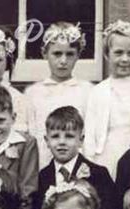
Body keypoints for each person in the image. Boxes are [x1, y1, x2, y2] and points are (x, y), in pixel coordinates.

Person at [31, 106, 116, 209]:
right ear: (46, 141)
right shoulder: (41, 177)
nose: (62, 142)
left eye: (69, 136)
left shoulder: (99, 174)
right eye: (55, 136)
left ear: (81, 140)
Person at [82, 20, 130, 180]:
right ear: (107, 54)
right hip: (109, 152)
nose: (125, 59)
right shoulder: (98, 91)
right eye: (118, 53)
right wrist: (90, 160)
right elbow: (91, 131)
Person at [24, 23, 94, 169]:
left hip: (78, 167)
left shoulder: (88, 91)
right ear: (45, 54)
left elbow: (90, 135)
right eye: (57, 54)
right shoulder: (33, 93)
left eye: (69, 54)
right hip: (42, 166)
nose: (63, 61)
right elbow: (30, 135)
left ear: (78, 55)